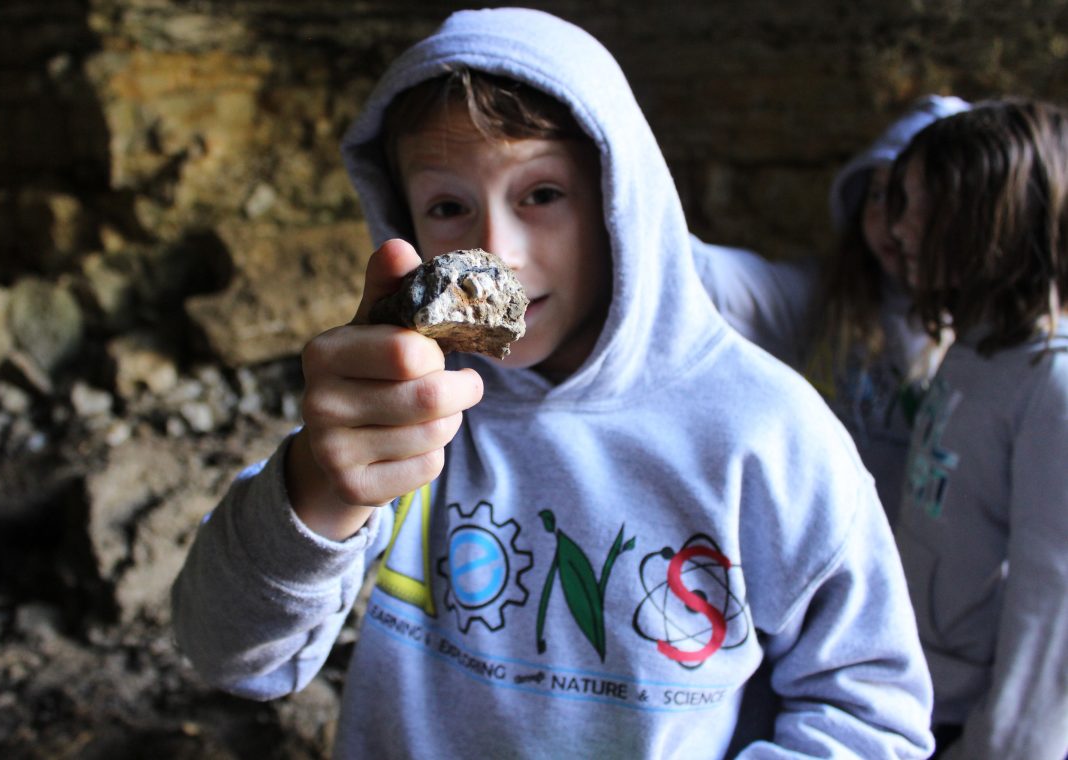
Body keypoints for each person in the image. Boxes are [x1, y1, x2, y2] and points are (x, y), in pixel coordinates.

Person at [171, 8, 935, 758]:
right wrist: (316, 490)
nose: (494, 250)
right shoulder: (402, 408)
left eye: (542, 195)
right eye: (447, 206)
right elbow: (231, 654)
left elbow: (873, 716)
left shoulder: (769, 434)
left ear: (617, 202)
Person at [887, 97, 1068, 760]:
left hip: (970, 733)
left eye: (912, 204)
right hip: (923, 704)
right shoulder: (974, 353)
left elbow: (1053, 631)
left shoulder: (1052, 387)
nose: (897, 229)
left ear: (980, 212)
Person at [694, 95, 970, 521]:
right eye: (878, 195)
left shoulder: (985, 337)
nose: (893, 222)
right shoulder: (825, 301)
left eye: (912, 200)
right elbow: (729, 281)